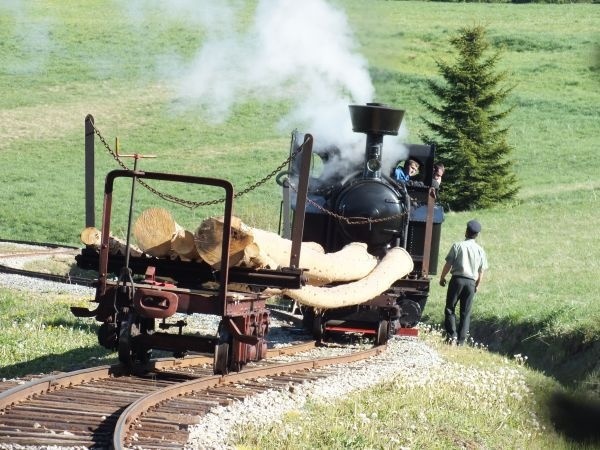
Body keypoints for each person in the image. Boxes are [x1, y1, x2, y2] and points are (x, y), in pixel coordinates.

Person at [439, 219, 488, 345]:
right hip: (471, 282)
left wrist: (442, 277)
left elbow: (448, 264)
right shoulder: (480, 250)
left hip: (457, 280)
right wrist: (477, 285)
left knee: (450, 308)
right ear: (476, 235)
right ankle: (461, 341)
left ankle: (451, 336)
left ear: (466, 231)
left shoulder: (457, 245)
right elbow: (481, 271)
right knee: (465, 313)